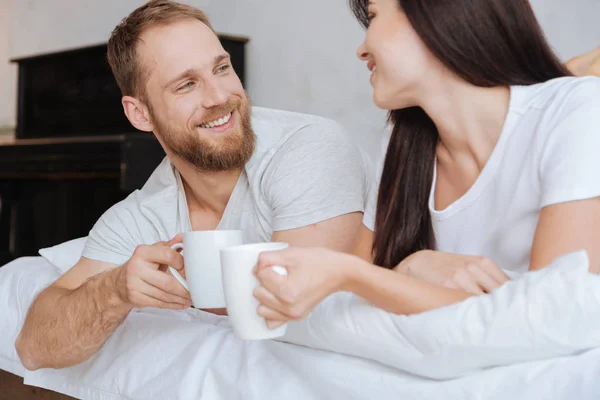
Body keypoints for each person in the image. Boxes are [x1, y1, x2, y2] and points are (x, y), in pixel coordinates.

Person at [15, 0, 371, 370]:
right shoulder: (146, 213)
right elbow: (33, 348)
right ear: (141, 113)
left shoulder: (308, 148)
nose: (219, 97)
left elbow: (298, 311)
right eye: (186, 85)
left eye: (222, 68)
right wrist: (115, 289)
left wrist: (197, 293)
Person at [253, 0, 600, 328]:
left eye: (372, 16)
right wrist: (409, 269)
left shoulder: (577, 111)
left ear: (432, 14)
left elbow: (555, 314)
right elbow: (349, 305)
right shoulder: (402, 146)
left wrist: (358, 274)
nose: (361, 49)